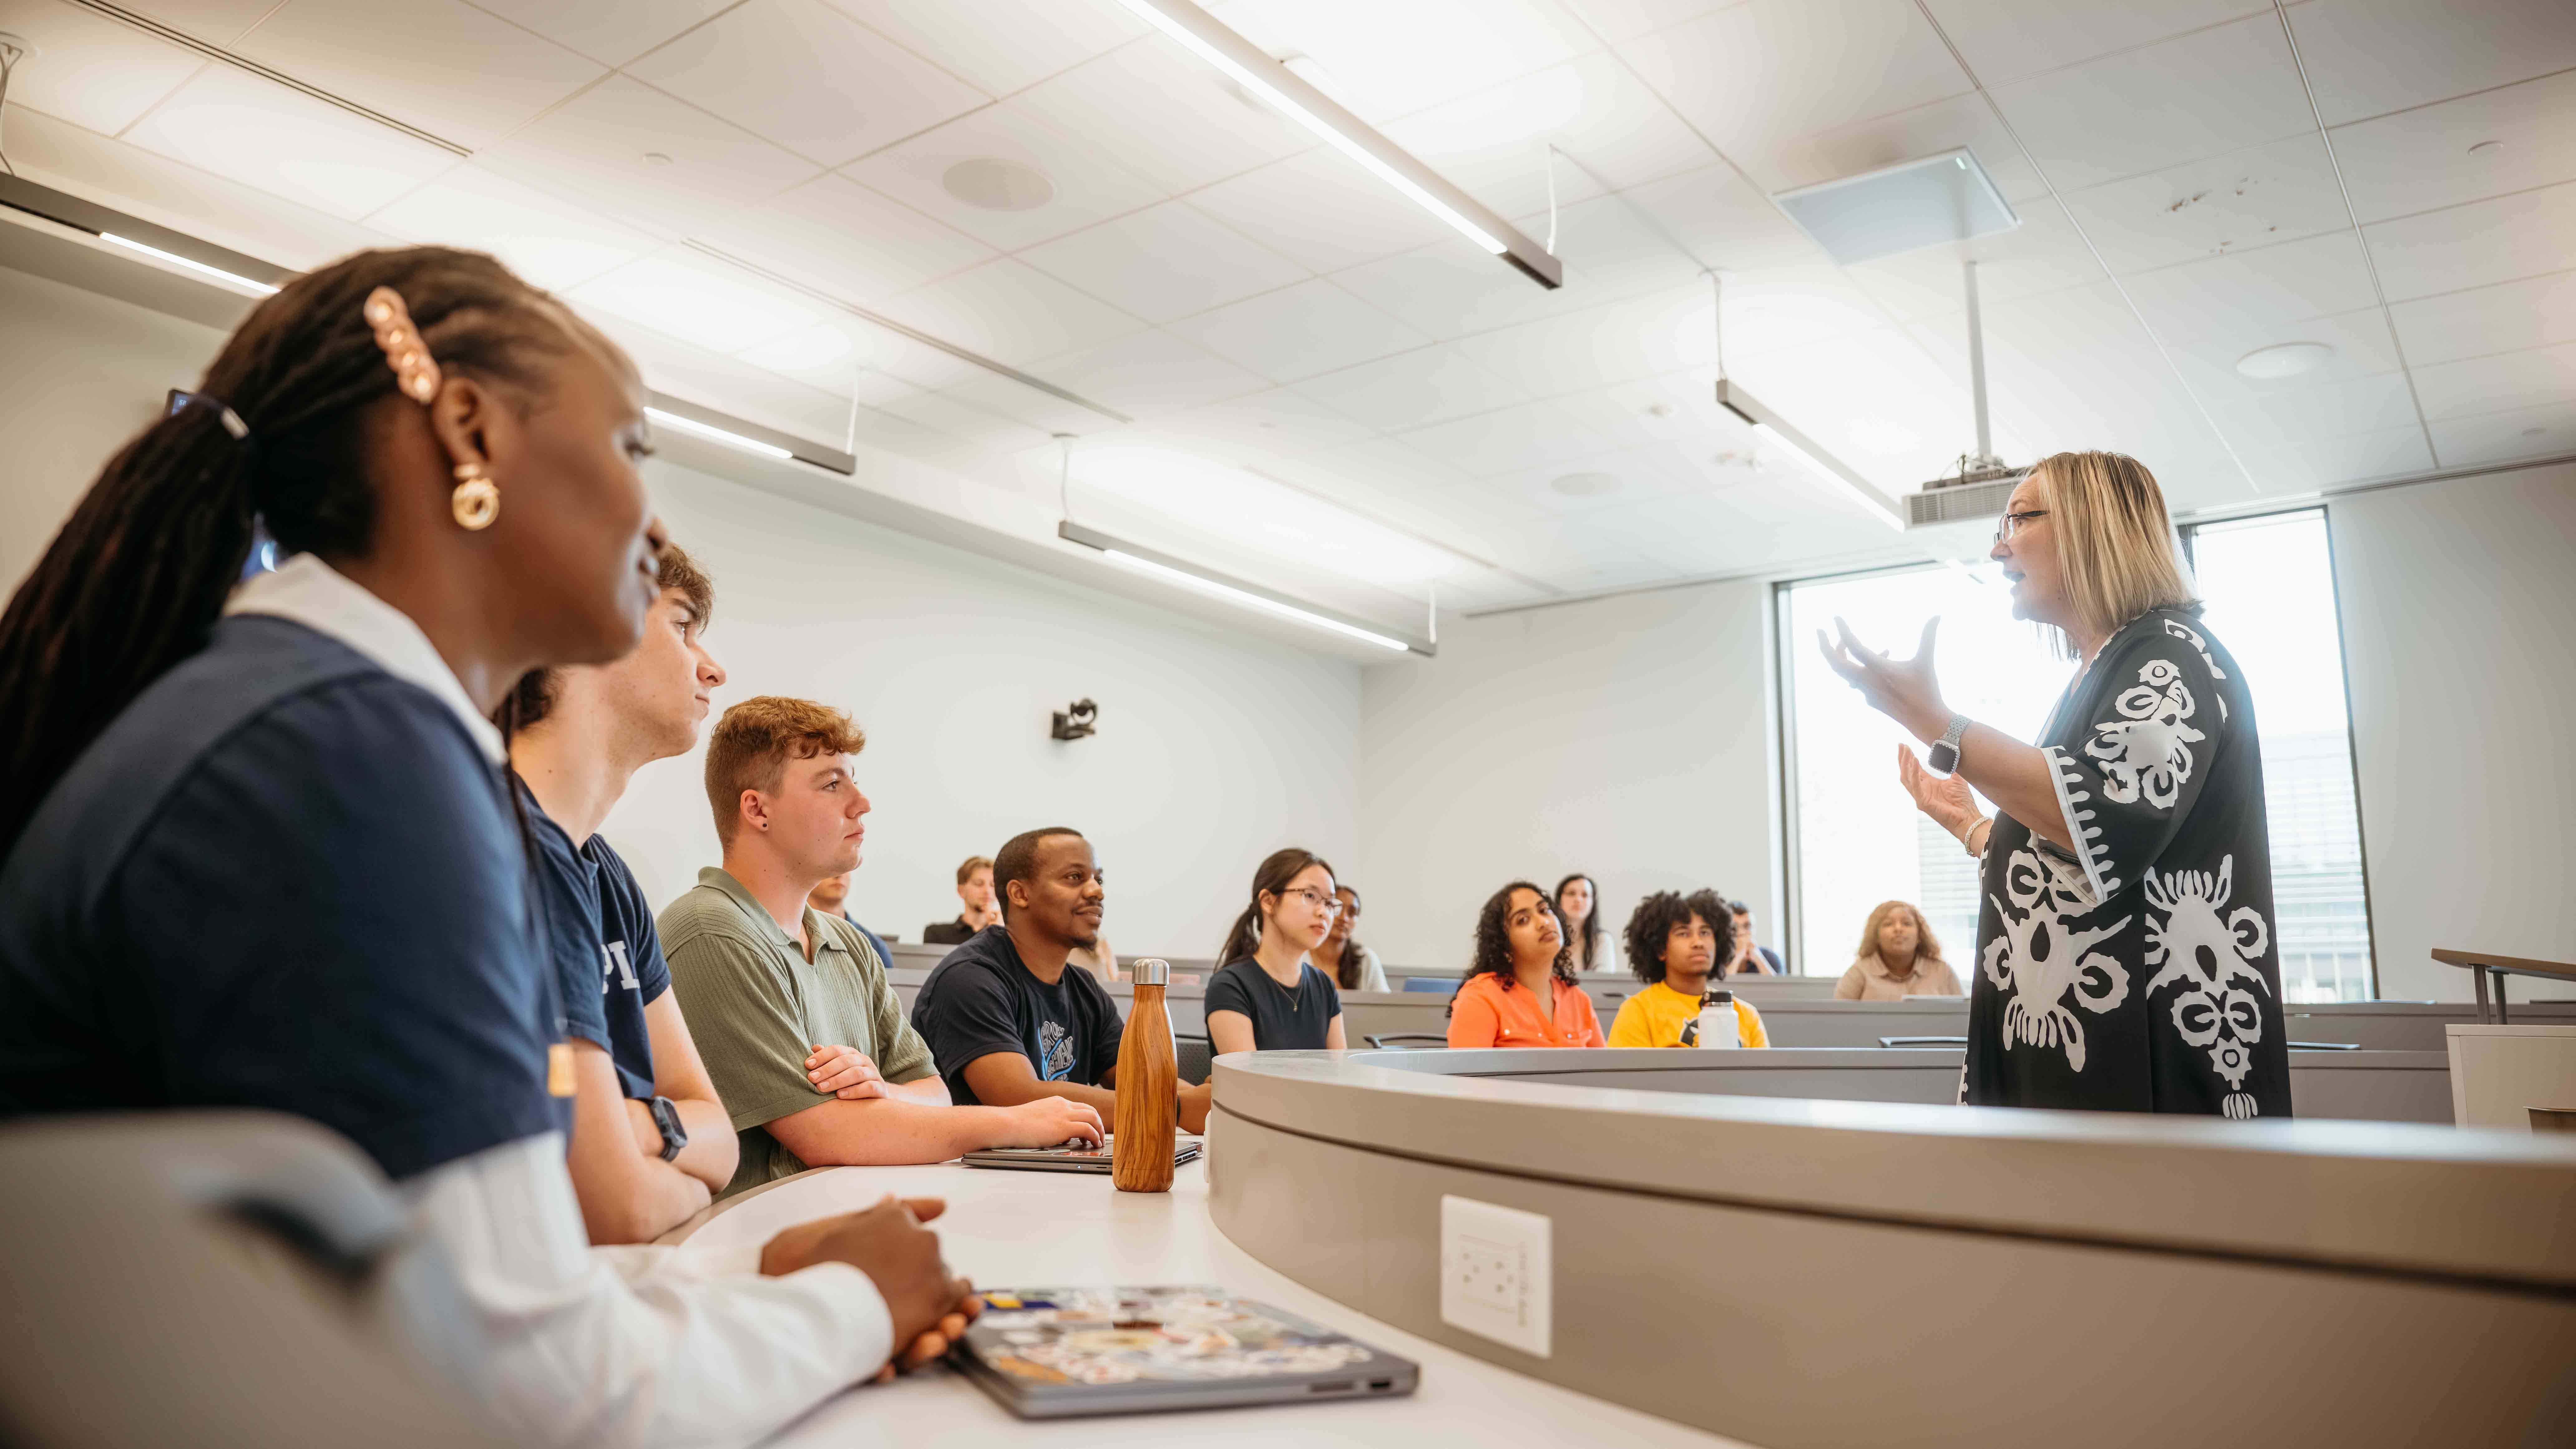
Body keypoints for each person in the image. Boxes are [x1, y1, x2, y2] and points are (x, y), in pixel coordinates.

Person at [0, 249, 973, 1447]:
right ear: (466, 431)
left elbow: (442, 1303)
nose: (648, 518)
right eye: (629, 450)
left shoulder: (304, 712)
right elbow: (541, 1402)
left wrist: (750, 1279)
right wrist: (854, 1303)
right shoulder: (357, 753)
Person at [1821, 450, 2290, 1118]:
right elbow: (2072, 865)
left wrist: (1934, 721)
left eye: (2017, 521)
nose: (1996, 548)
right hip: (2083, 1050)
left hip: (2151, 1066)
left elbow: (2107, 814)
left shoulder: (2170, 655)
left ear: (2091, 527)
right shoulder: (2102, 672)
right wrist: (1972, 826)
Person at [661, 699, 1103, 1196]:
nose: (861, 802)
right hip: (752, 1237)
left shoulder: (850, 944)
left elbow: (934, 1092)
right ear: (757, 809)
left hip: (847, 1209)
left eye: (854, 780)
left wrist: (883, 1091)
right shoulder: (712, 930)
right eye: (832, 784)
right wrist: (1017, 1123)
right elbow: (825, 1134)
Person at [503, 542, 738, 1244]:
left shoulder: (604, 873)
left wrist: (640, 1128)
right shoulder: (510, 848)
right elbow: (617, 1208)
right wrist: (668, 1152)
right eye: (681, 627)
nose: (713, 668)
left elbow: (719, 1136)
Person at [911, 827, 1213, 1133]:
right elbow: (1019, 1097)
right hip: (971, 1176)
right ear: (1020, 894)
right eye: (1074, 878)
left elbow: (1141, 1078)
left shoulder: (1085, 988)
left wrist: (1215, 1100)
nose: (1097, 891)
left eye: (1099, 879)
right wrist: (1173, 1109)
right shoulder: (969, 978)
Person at [1204, 849, 1348, 1053]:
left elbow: (1340, 1075)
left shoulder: (1324, 986)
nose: (1324, 912)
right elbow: (1248, 1082)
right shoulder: (1230, 986)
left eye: (1329, 903)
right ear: (1268, 902)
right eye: (1310, 895)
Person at [1447, 882, 1604, 1049]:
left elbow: (1606, 1072)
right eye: (1523, 920)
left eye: (1544, 911)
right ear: (1504, 946)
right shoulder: (1481, 997)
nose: (1543, 923)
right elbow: (1466, 1074)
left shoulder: (1578, 1000)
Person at [1608, 890, 1770, 1048]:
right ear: (1661, 950)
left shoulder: (1747, 1015)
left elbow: (1765, 1075)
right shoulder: (1638, 1012)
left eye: (1705, 932)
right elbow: (1630, 1075)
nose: (1698, 943)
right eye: (1684, 934)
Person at [1835, 901, 1963, 1001]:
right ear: (1876, 936)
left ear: (1920, 935)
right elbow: (1839, 1021)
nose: (1898, 929)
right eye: (1888, 924)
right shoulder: (1859, 973)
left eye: (1907, 924)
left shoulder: (1943, 971)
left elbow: (1964, 1019)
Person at [1310, 883, 1389, 992]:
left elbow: (1384, 1006)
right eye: (1337, 908)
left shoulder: (1365, 959)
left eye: (1352, 913)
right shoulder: (1301, 956)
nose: (1344, 918)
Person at [921, 855, 1000, 945]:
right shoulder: (937, 934)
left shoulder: (1007, 936)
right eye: (979, 884)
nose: (988, 891)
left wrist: (999, 933)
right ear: (961, 891)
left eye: (993, 885)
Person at [1555, 872, 1618, 974]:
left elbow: (1604, 984)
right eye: (1572, 893)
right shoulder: (1550, 938)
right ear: (1559, 899)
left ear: (1593, 903)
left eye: (1585, 895)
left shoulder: (1602, 940)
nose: (1578, 900)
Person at [1725, 899, 1785, 976]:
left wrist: (1758, 959)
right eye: (1734, 928)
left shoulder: (1770, 958)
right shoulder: (1717, 959)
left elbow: (1778, 987)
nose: (1741, 933)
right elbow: (1722, 987)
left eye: (1747, 926)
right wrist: (1738, 957)